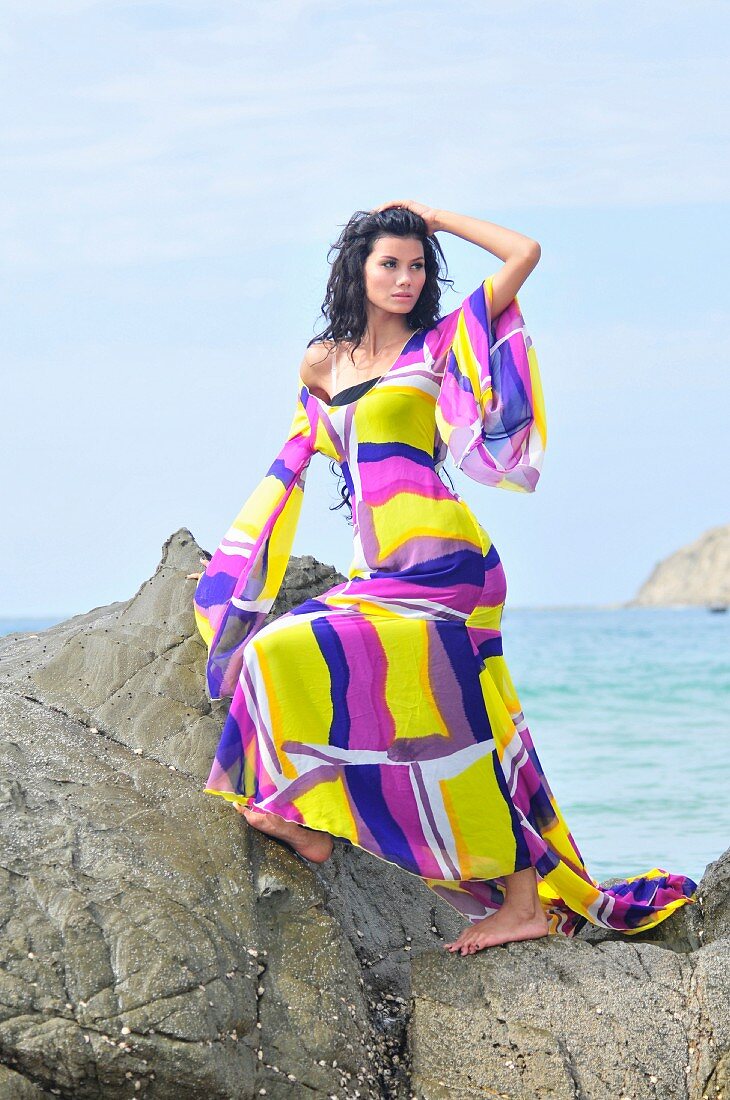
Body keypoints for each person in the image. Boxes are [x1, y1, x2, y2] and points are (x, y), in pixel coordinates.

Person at [189, 201, 697, 956]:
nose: (404, 277)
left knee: (471, 731)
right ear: (356, 270)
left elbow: (524, 251)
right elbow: (296, 460)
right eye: (389, 263)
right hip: (382, 568)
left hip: (453, 565)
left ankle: (524, 902)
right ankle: (303, 819)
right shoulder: (321, 361)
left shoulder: (442, 342)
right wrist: (239, 560)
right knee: (276, 650)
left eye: (416, 265)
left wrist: (438, 219)